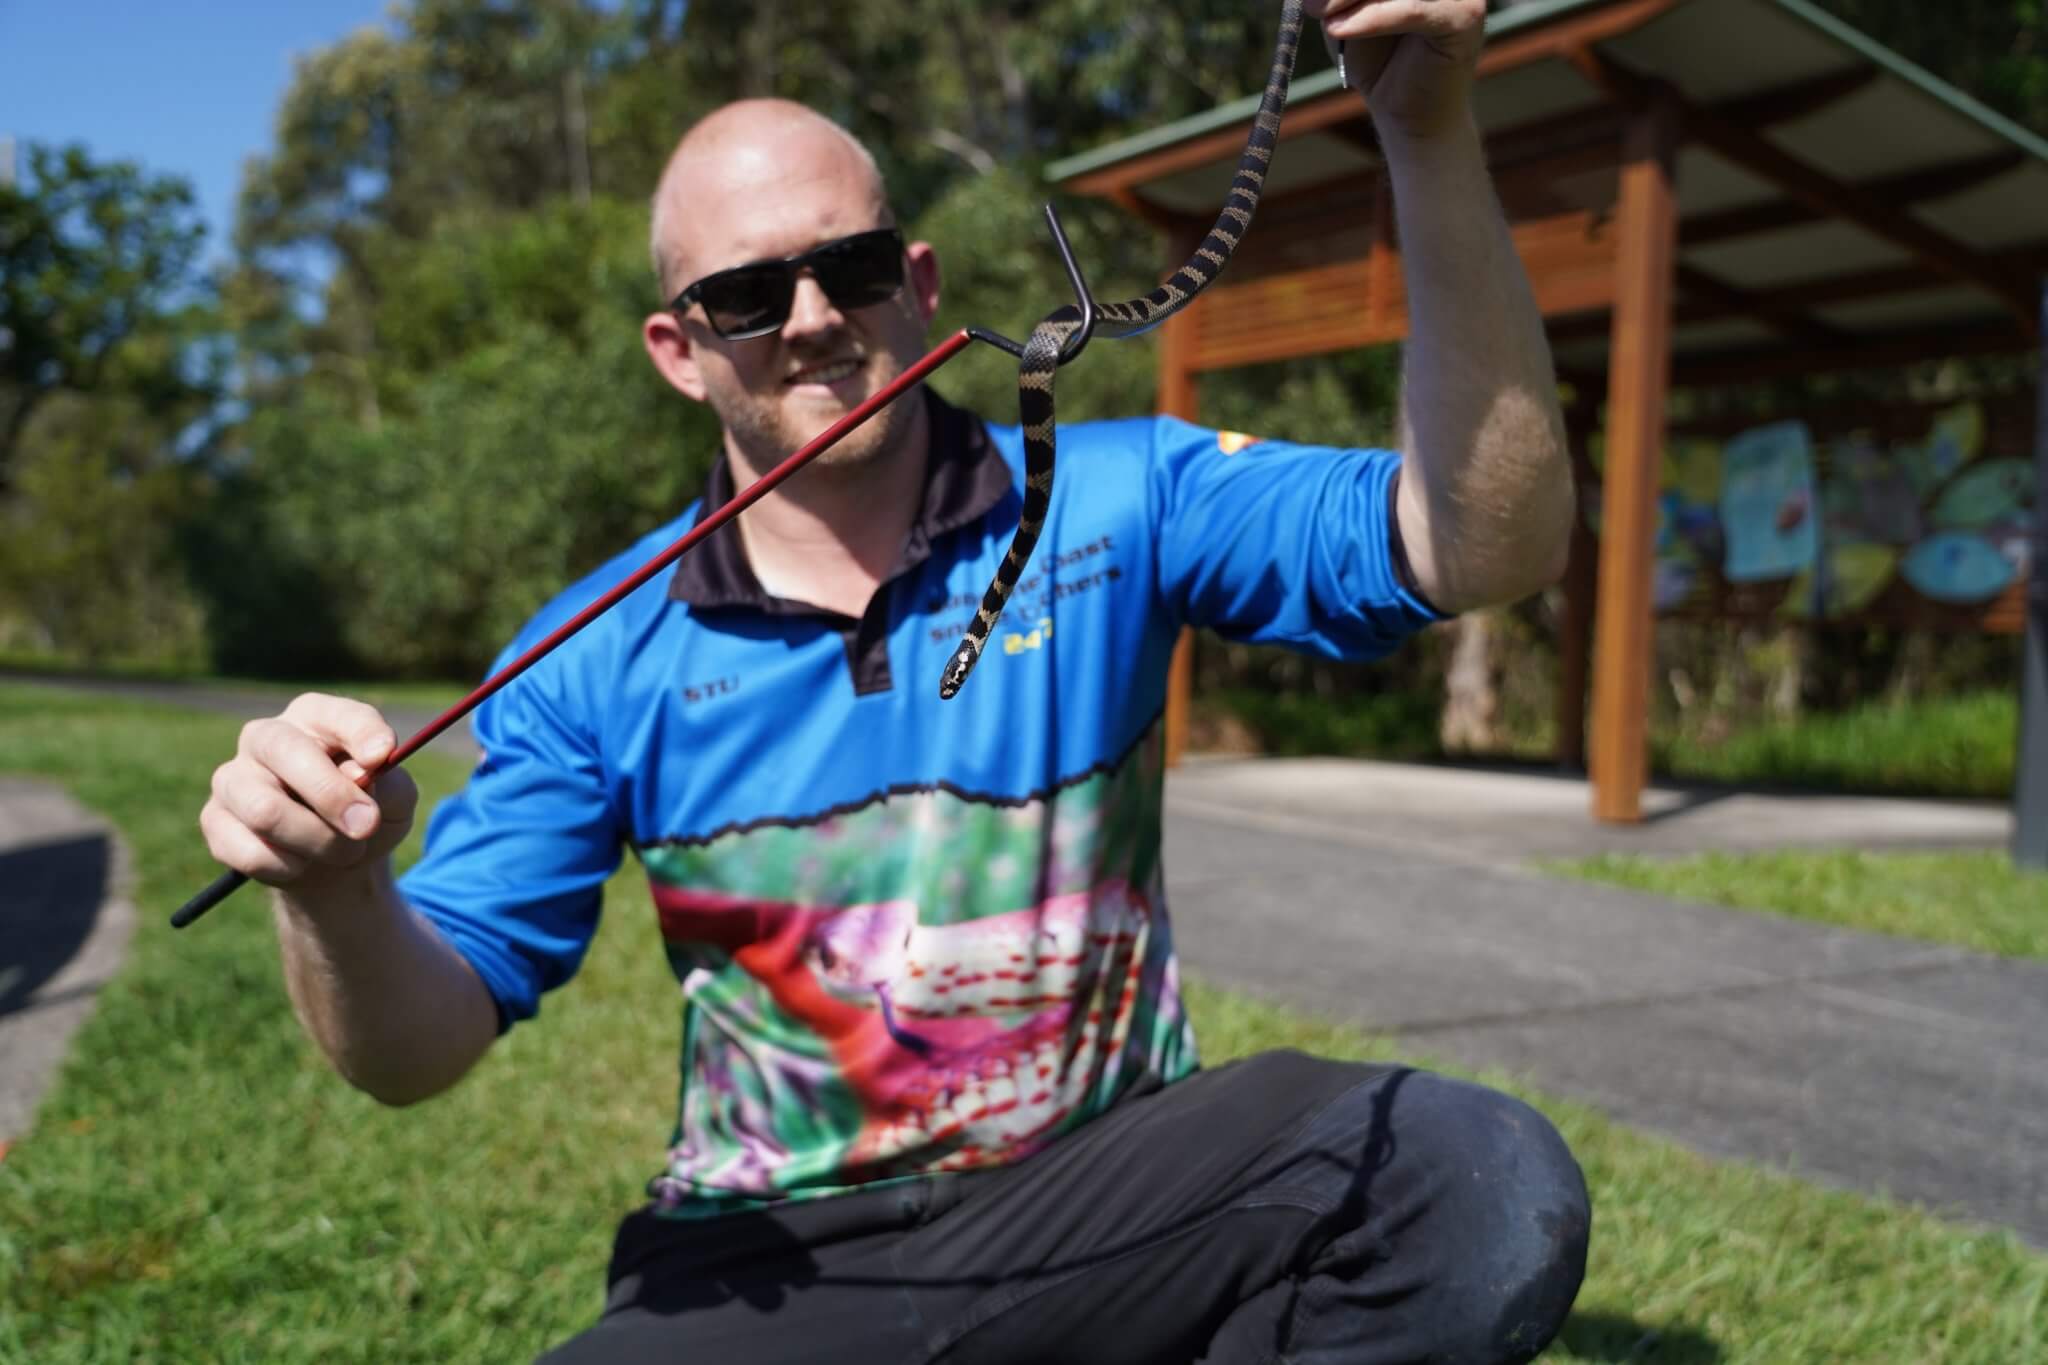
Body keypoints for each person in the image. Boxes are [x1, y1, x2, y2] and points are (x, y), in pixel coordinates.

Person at [199, 3, 1590, 1361]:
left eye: (850, 267)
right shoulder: (591, 651)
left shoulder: (1130, 494)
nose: (809, 318)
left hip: (1116, 1195)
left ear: (919, 284)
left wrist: (1428, 131)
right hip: (777, 1259)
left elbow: (1484, 542)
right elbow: (411, 1047)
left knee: (1470, 1182)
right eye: (746, 294)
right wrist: (333, 887)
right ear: (679, 351)